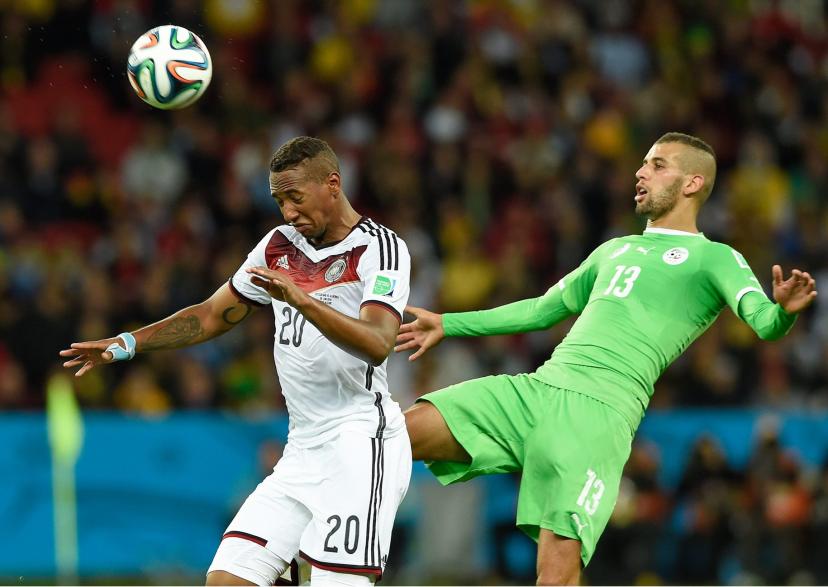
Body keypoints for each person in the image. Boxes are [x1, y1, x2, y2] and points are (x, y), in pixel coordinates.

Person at [395, 132, 818, 585]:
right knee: (389, 433)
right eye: (643, 163)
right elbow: (542, 309)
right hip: (536, 390)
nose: (641, 172)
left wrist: (783, 312)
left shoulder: (715, 258)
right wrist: (449, 323)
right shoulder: (614, 249)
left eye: (658, 165)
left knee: (555, 576)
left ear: (692, 183)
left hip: (598, 418)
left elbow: (763, 322)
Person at [60, 137, 413, 587]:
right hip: (301, 450)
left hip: (360, 444)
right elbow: (212, 314)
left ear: (332, 184)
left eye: (295, 197)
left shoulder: (381, 248)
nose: (288, 212)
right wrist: (128, 342)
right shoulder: (278, 247)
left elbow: (379, 342)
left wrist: (301, 300)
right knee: (227, 580)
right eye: (279, 201)